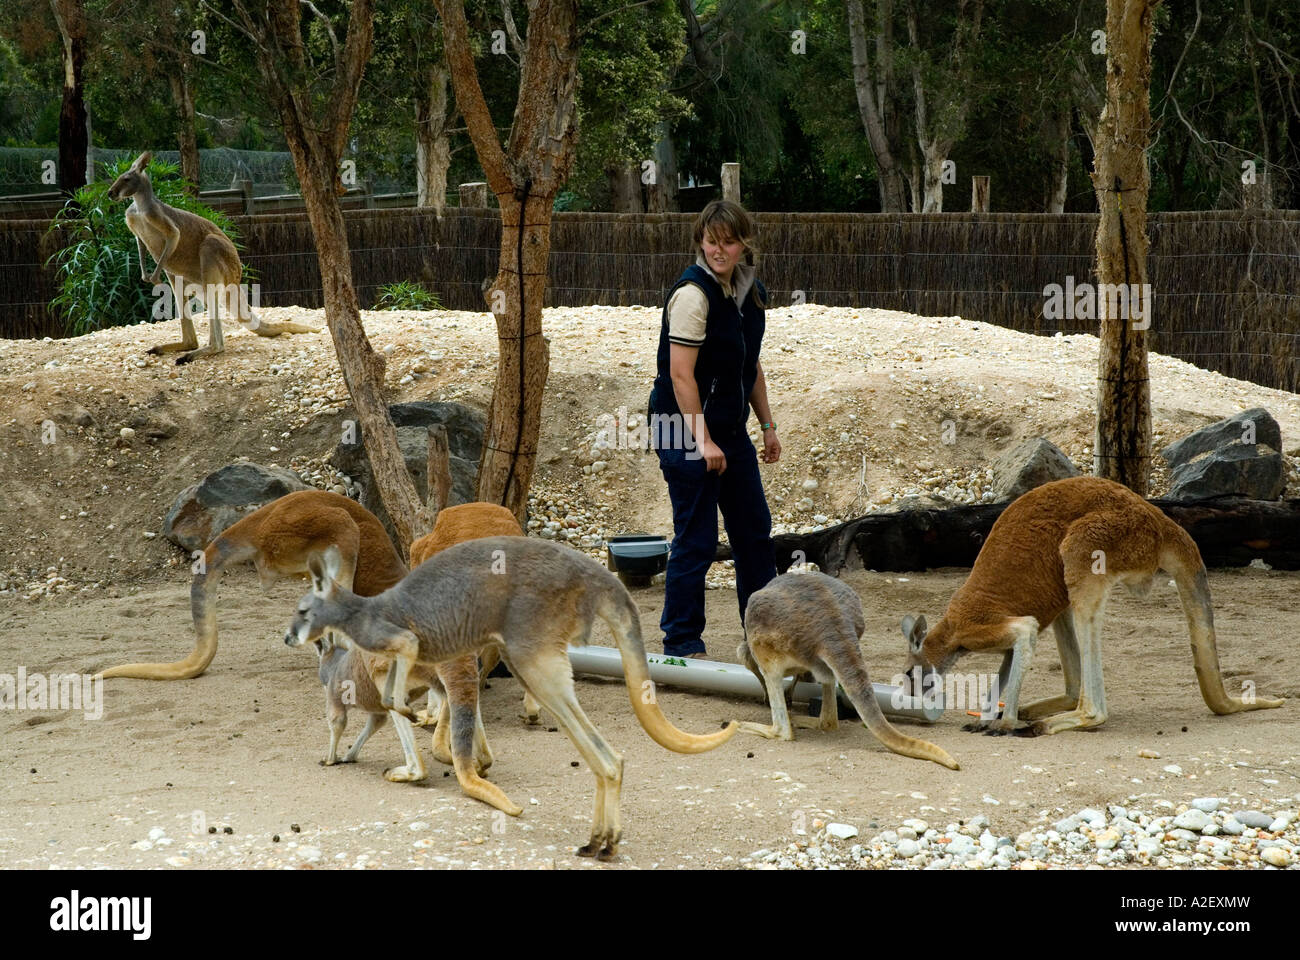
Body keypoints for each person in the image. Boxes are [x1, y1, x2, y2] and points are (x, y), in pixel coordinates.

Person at [648, 200, 780, 659]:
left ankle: (765, 636)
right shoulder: (692, 295)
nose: (719, 250)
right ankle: (682, 642)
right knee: (698, 537)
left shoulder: (748, 289)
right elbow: (681, 375)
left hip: (727, 427)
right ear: (700, 241)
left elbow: (750, 364)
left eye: (728, 241)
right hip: (678, 426)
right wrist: (702, 441)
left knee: (753, 532)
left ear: (744, 243)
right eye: (711, 241)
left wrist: (767, 426)